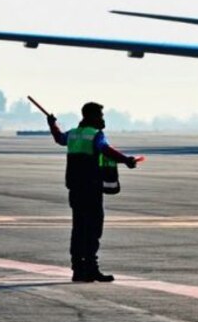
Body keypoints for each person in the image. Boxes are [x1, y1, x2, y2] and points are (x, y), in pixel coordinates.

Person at [47, 101, 138, 282]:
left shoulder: (73, 134)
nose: (103, 119)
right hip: (91, 188)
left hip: (75, 188)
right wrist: (126, 160)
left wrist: (52, 124)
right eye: (100, 115)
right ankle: (91, 268)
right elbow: (106, 150)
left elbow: (59, 138)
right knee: (93, 229)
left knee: (78, 228)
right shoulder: (95, 135)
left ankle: (78, 269)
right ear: (91, 116)